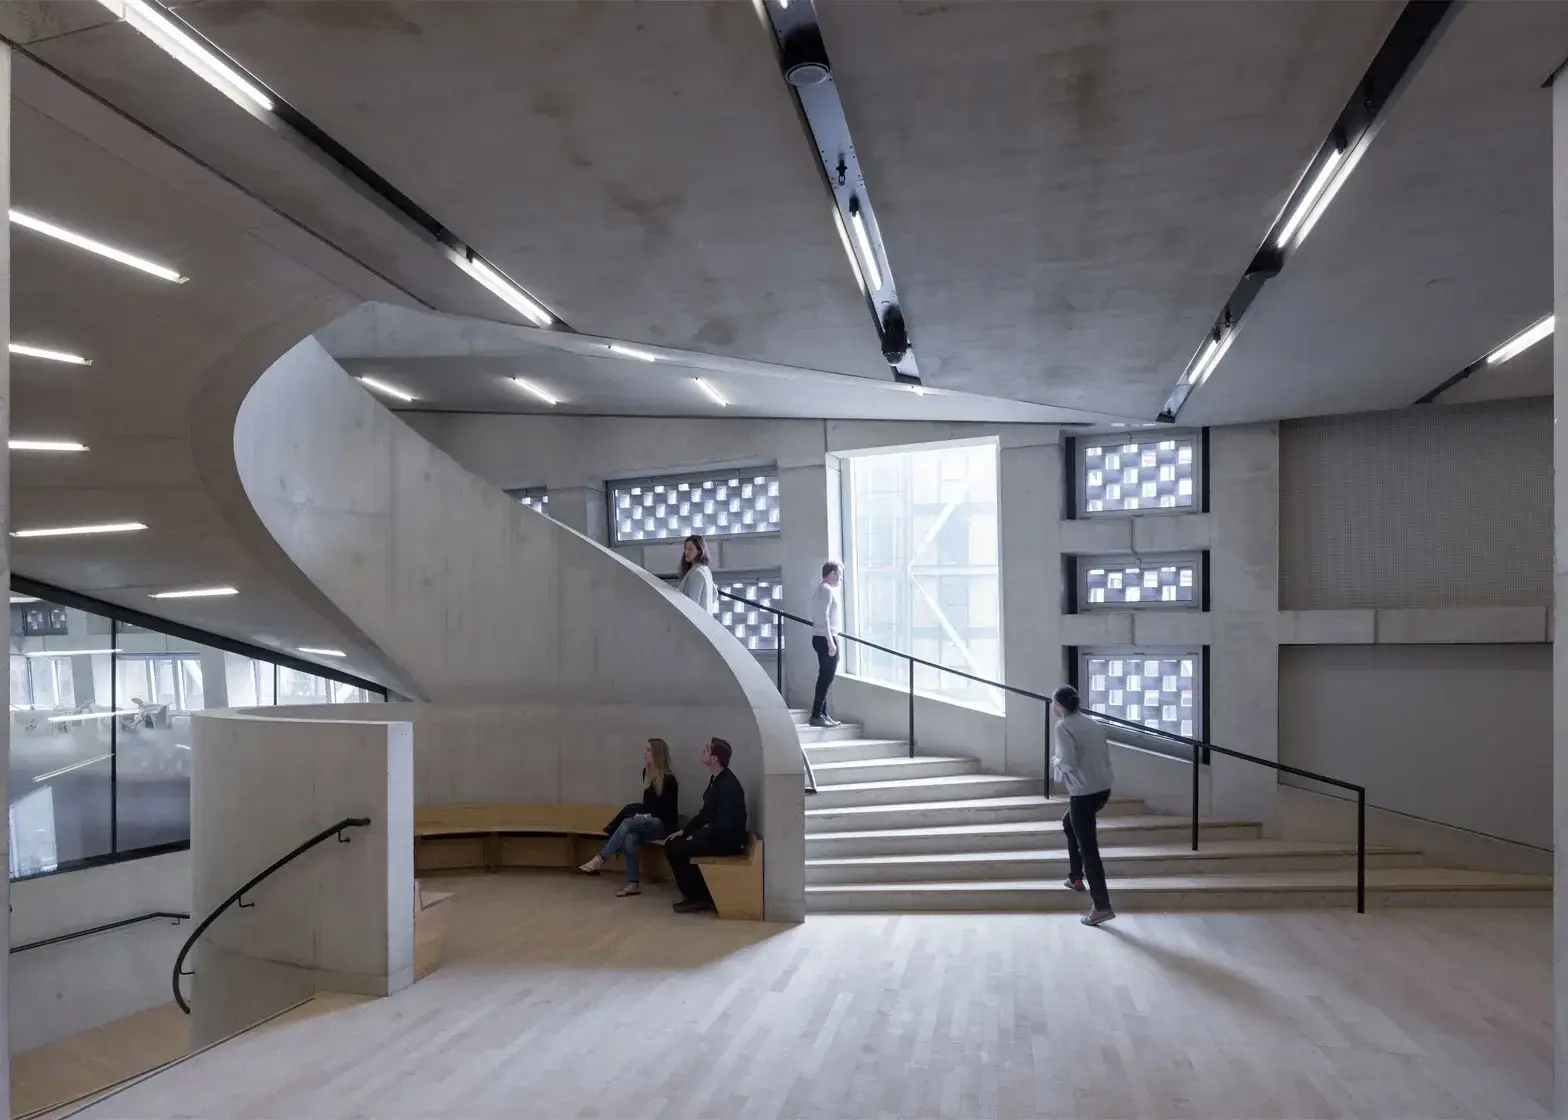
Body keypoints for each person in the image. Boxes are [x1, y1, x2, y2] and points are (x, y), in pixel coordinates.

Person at [579, 739, 680, 897]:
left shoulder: (669, 779)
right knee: (629, 838)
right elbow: (647, 804)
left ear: (657, 754)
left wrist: (644, 816)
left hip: (662, 825)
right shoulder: (647, 773)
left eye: (648, 750)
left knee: (627, 823)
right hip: (648, 822)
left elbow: (666, 811)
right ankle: (633, 884)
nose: (644, 753)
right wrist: (642, 815)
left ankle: (600, 859)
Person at [1050, 684, 1116, 926]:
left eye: (1053, 702)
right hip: (1103, 789)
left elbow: (1067, 763)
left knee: (1089, 850)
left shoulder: (1063, 727)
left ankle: (1102, 906)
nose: (1052, 706)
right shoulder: (1093, 724)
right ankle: (1075, 877)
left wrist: (1055, 761)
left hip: (1083, 794)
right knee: (1069, 824)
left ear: (1059, 705)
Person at [664, 737, 748, 913]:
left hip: (727, 842)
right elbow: (705, 813)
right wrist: (684, 831)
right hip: (717, 836)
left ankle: (698, 897)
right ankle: (697, 894)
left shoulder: (728, 785)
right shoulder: (716, 780)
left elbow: (725, 825)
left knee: (677, 850)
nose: (702, 751)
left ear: (714, 758)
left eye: (706, 750)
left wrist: (696, 835)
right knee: (673, 843)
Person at [809, 561, 842, 728]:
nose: (840, 578)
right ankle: (816, 714)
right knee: (826, 678)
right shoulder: (825, 590)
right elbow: (823, 616)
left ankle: (822, 713)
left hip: (823, 637)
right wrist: (831, 642)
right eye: (839, 574)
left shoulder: (822, 590)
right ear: (832, 573)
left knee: (826, 677)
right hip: (825, 638)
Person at [675, 535, 716, 613]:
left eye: (690, 549)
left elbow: (693, 605)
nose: (686, 552)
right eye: (685, 548)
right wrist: (705, 605)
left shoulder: (696, 572)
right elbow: (714, 594)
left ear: (699, 551)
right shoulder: (705, 569)